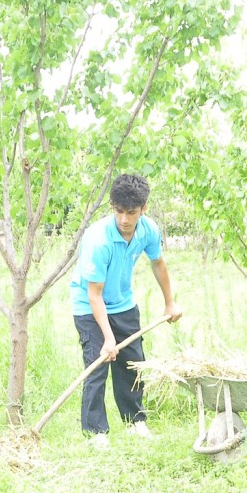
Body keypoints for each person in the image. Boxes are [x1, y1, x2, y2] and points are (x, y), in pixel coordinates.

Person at [69, 174, 183, 449]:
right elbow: (93, 294)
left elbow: (158, 263)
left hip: (123, 304)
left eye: (131, 212)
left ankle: (135, 422)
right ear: (113, 208)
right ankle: (96, 433)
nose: (124, 219)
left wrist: (170, 302)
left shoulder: (148, 230)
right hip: (89, 306)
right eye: (118, 211)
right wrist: (108, 339)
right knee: (98, 365)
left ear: (143, 209)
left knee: (133, 363)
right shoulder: (98, 240)